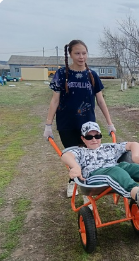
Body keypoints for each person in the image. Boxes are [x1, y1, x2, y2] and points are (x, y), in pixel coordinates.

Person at [60, 122, 139, 214]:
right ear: (83, 138)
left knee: (128, 166)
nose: (94, 139)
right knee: (117, 169)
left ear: (101, 136)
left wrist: (135, 156)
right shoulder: (81, 152)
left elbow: (133, 144)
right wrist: (76, 167)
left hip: (116, 171)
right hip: (94, 177)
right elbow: (66, 155)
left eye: (97, 136)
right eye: (89, 136)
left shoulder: (108, 147)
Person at [45, 39, 117, 198]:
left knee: (88, 156)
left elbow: (101, 101)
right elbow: (54, 100)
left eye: (84, 53)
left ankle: (87, 189)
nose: (81, 56)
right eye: (77, 53)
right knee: (73, 156)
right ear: (70, 54)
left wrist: (110, 123)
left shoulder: (92, 75)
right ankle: (73, 182)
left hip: (88, 125)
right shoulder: (62, 74)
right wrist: (48, 125)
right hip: (67, 124)